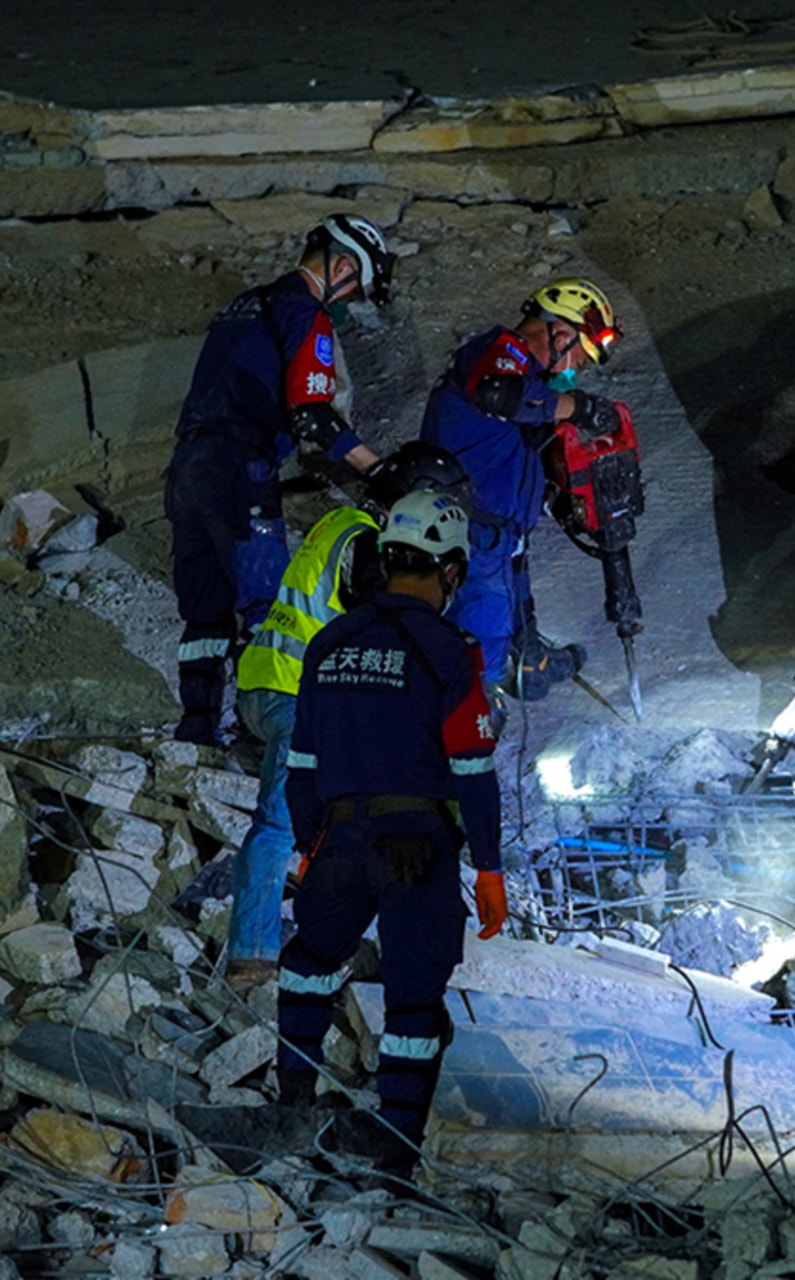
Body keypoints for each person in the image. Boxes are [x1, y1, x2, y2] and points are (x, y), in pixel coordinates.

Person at [276, 490, 506, 1171]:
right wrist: (489, 868)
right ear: (450, 572)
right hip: (417, 847)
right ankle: (397, 1157)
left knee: (309, 965)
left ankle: (291, 1104)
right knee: (413, 1006)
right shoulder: (449, 652)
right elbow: (472, 768)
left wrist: (308, 848)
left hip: (338, 840)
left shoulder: (330, 643)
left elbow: (301, 768)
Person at [224, 443, 470, 990]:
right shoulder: (368, 549)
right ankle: (251, 957)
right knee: (277, 826)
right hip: (291, 697)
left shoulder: (341, 523)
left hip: (261, 685)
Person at [167, 214, 395, 745]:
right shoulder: (304, 312)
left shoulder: (242, 305)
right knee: (264, 606)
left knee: (203, 609)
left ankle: (195, 730)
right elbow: (311, 414)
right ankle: (258, 736)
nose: (349, 297)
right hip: (241, 470)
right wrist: (375, 467)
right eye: (354, 284)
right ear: (341, 265)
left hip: (186, 467)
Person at [420, 277, 624, 704]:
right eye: (577, 359)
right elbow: (499, 394)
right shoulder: (501, 350)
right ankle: (476, 709)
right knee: (484, 627)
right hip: (473, 530)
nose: (572, 372)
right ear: (561, 334)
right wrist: (581, 407)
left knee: (516, 610)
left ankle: (525, 662)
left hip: (503, 530)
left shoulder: (528, 376)